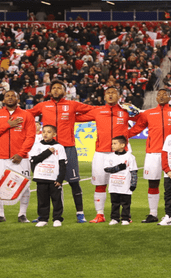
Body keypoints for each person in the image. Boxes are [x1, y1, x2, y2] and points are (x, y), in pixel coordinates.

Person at [28, 80, 95, 223]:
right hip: (48, 148)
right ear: (50, 91)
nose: (56, 90)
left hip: (67, 147)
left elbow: (92, 110)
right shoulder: (43, 105)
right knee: (46, 183)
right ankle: (43, 215)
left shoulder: (72, 105)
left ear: (65, 91)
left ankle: (80, 213)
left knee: (73, 182)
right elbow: (27, 114)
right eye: (54, 88)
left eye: (59, 88)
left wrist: (76, 118)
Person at [76, 87, 141, 223]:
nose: (111, 95)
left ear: (119, 96)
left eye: (114, 93)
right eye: (108, 93)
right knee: (100, 184)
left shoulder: (125, 111)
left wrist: (128, 135)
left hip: (121, 154)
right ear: (104, 97)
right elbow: (77, 118)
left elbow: (141, 120)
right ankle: (100, 214)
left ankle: (125, 215)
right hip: (101, 153)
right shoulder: (98, 111)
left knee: (124, 185)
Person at [131, 89, 171, 223]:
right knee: (153, 183)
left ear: (170, 97)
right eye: (159, 94)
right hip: (153, 153)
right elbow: (137, 128)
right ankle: (153, 213)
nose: (161, 96)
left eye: (165, 94)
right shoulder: (148, 113)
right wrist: (123, 135)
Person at [0, 90, 35, 224]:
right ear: (3, 100)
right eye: (7, 96)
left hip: (21, 158)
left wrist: (21, 153)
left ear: (18, 99)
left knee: (25, 186)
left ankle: (22, 214)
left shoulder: (26, 115)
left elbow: (31, 137)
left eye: (13, 96)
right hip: (0, 157)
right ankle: (0, 214)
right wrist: (8, 125)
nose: (10, 98)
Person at [29, 125, 66, 227]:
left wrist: (60, 179)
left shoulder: (59, 147)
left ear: (54, 134)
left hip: (54, 178)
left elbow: (62, 164)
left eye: (49, 132)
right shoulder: (37, 146)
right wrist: (48, 152)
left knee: (56, 199)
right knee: (42, 200)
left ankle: (57, 218)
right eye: (44, 131)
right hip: (41, 177)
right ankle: (43, 219)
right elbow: (33, 160)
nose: (45, 134)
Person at [104, 135, 138, 226]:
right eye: (112, 143)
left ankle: (125, 218)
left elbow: (134, 171)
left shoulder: (130, 157)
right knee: (114, 203)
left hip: (125, 185)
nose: (112, 145)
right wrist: (119, 167)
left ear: (123, 145)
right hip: (113, 185)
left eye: (115, 143)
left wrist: (133, 183)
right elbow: (107, 169)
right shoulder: (109, 157)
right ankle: (114, 218)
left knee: (126, 203)